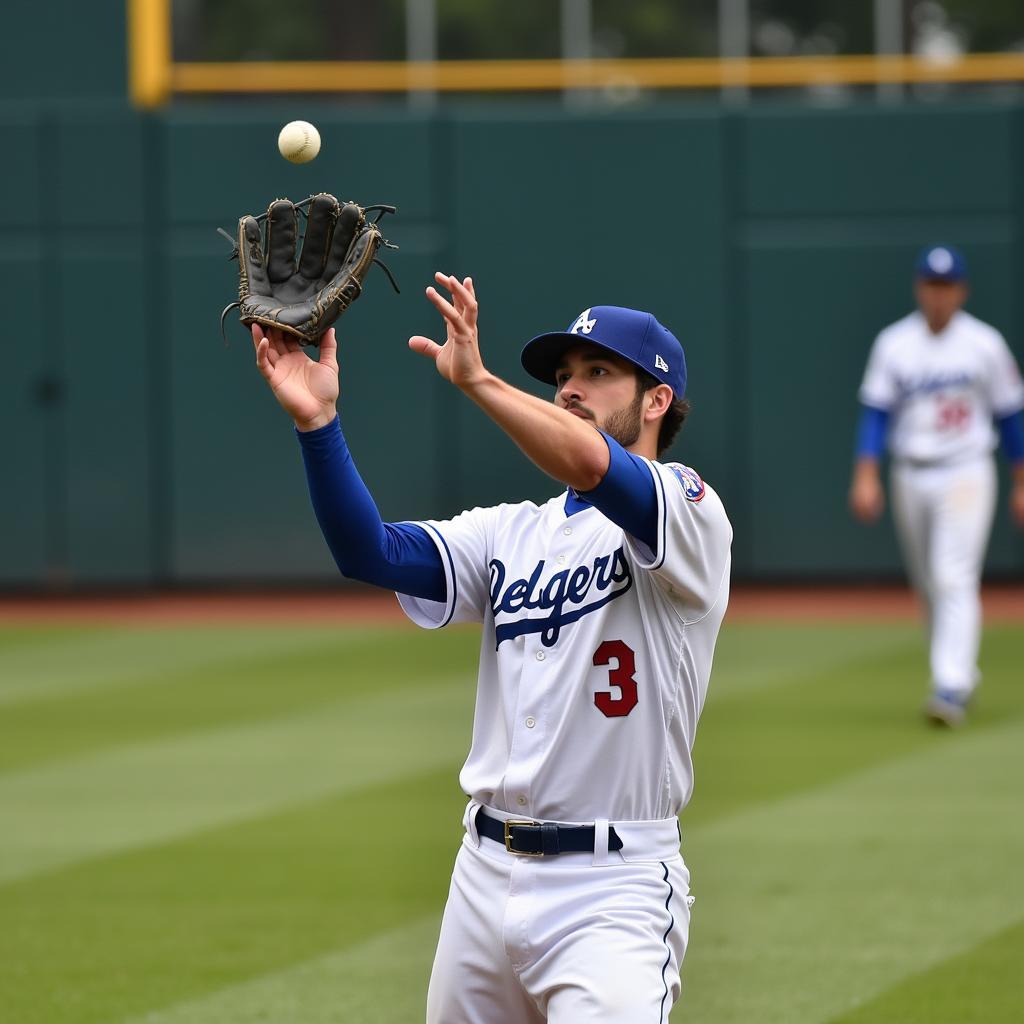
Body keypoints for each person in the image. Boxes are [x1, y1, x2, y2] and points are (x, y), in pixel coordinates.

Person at [250, 273, 732, 1023]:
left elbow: (592, 466)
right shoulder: (511, 532)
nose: (571, 389)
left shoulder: (687, 509)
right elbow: (369, 552)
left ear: (657, 399)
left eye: (598, 373)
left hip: (613, 892)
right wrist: (318, 424)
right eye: (564, 375)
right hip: (483, 874)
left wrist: (475, 380)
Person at [849, 245, 1024, 727]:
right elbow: (877, 413)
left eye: (947, 285)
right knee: (928, 581)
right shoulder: (895, 343)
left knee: (952, 574)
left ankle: (950, 684)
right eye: (931, 284)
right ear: (919, 288)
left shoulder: (984, 344)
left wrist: (1020, 479)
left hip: (966, 467)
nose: (938, 294)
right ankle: (956, 673)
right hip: (910, 470)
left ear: (962, 290)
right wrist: (866, 473)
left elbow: (1010, 415)